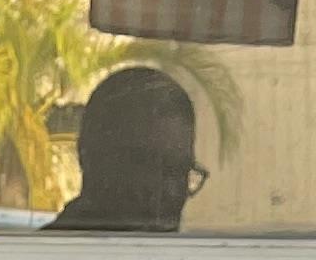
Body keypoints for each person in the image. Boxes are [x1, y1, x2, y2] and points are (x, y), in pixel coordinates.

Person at [49, 68, 203, 231]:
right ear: (88, 157)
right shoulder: (39, 253)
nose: (159, 193)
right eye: (143, 164)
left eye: (176, 169)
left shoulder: (200, 254)